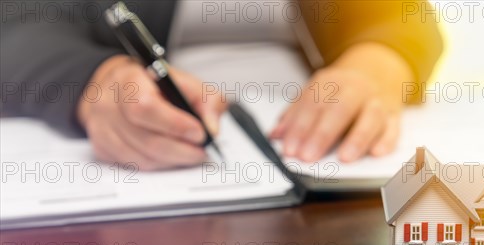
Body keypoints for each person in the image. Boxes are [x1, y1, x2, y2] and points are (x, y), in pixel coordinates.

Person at [1, 0, 443, 170]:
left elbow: (402, 16)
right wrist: (96, 80)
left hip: (324, 178)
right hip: (168, 175)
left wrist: (378, 67)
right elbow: (18, 24)